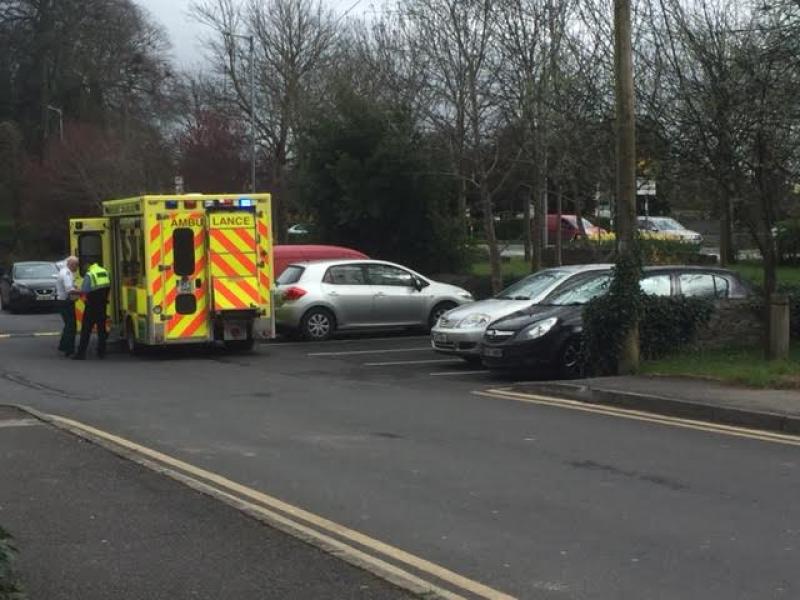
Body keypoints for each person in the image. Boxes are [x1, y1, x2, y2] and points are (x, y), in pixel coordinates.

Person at [73, 262, 111, 360]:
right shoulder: (105, 272)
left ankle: (81, 354)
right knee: (101, 329)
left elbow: (84, 290)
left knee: (86, 330)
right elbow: (108, 286)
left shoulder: (90, 274)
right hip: (102, 305)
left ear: (87, 267)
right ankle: (101, 352)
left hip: (92, 305)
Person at [55, 256, 79, 356]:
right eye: (76, 265)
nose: (77, 267)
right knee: (71, 326)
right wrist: (82, 292)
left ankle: (63, 345)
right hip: (66, 302)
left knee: (68, 325)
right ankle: (69, 349)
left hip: (62, 301)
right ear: (71, 264)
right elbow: (69, 289)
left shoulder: (64, 272)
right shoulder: (67, 273)